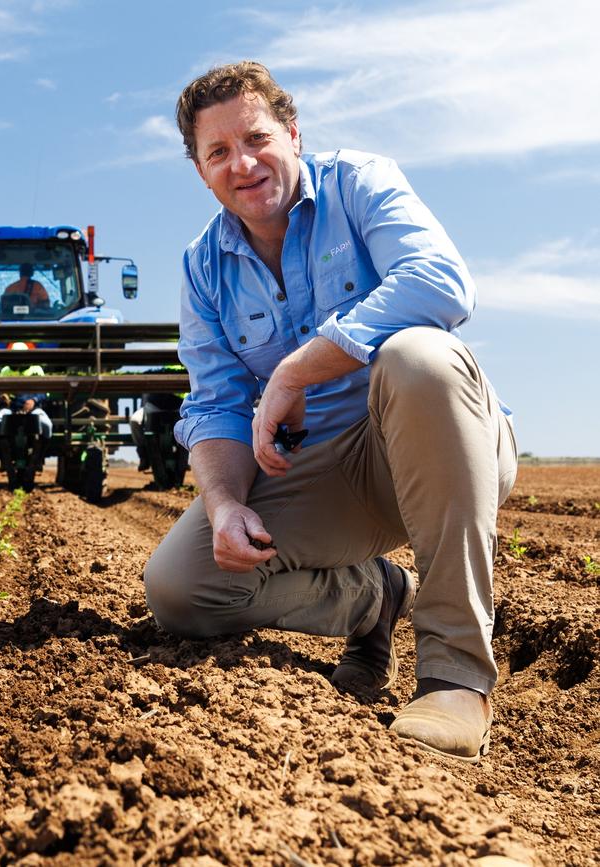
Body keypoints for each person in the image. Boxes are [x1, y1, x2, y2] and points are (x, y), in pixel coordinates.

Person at [143, 62, 517, 763]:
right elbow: (217, 403)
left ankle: (454, 676)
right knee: (180, 586)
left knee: (419, 356)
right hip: (333, 475)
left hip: (440, 443)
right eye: (218, 152)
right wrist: (224, 504)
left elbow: (440, 280)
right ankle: (371, 598)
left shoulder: (359, 182)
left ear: (292, 133)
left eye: (256, 138)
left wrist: (299, 364)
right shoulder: (203, 267)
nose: (243, 163)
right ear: (199, 170)